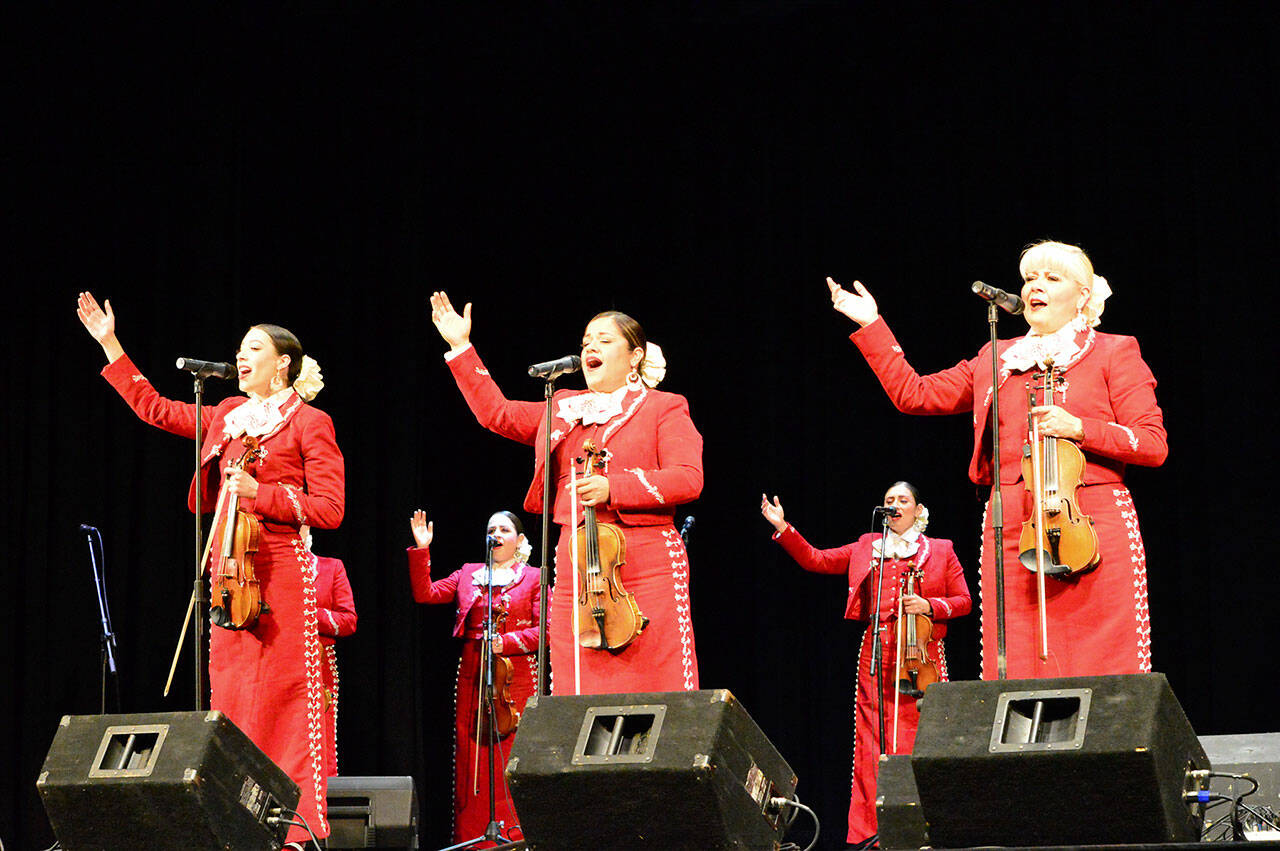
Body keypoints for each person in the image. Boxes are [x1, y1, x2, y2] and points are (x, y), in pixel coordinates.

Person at [826, 240, 1167, 679]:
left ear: (1083, 295)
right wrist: (871, 324)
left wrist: (1081, 428)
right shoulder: (997, 356)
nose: (1036, 286)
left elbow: (1152, 443)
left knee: (1103, 663)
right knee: (1021, 662)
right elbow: (915, 394)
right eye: (1029, 278)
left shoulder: (1114, 351)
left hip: (1093, 522)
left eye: (1052, 278)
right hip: (1012, 525)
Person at [76, 292, 345, 846]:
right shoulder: (227, 415)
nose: (241, 356)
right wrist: (110, 344)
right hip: (228, 575)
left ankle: (297, 834)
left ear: (283, 364)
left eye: (254, 348)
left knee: (285, 703)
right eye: (240, 348)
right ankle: (236, 825)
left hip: (280, 575)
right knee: (234, 703)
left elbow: (330, 509)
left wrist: (261, 493)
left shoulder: (310, 422)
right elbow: (155, 408)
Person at [428, 292, 703, 694]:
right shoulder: (565, 407)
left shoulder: (664, 407)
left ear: (635, 356)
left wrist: (614, 487)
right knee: (580, 687)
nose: (590, 347)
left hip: (647, 564)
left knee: (658, 684)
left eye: (604, 340)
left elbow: (688, 478)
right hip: (578, 564)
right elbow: (497, 414)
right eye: (586, 341)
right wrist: (461, 347)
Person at [762, 483, 970, 846]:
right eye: (889, 500)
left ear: (918, 509)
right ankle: (872, 833)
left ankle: (924, 827)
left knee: (919, 737)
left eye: (903, 500)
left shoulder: (940, 549)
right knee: (871, 744)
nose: (894, 505)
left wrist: (930, 606)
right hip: (877, 653)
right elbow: (817, 559)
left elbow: (964, 600)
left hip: (922, 655)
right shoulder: (867, 545)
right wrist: (783, 527)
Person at [407, 509, 540, 847]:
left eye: (505, 530)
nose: (496, 535)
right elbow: (426, 593)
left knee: (512, 758)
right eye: (491, 529)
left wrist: (507, 642)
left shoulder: (534, 578)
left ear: (520, 540)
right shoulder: (469, 573)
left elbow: (547, 630)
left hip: (516, 677)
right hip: (472, 673)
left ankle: (516, 838)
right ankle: (474, 840)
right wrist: (422, 549)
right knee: (473, 761)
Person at [311, 542, 357, 779]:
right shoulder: (272, 568)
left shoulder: (330, 567)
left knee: (320, 743)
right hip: (277, 664)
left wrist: (310, 613)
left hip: (319, 667)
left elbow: (348, 621)